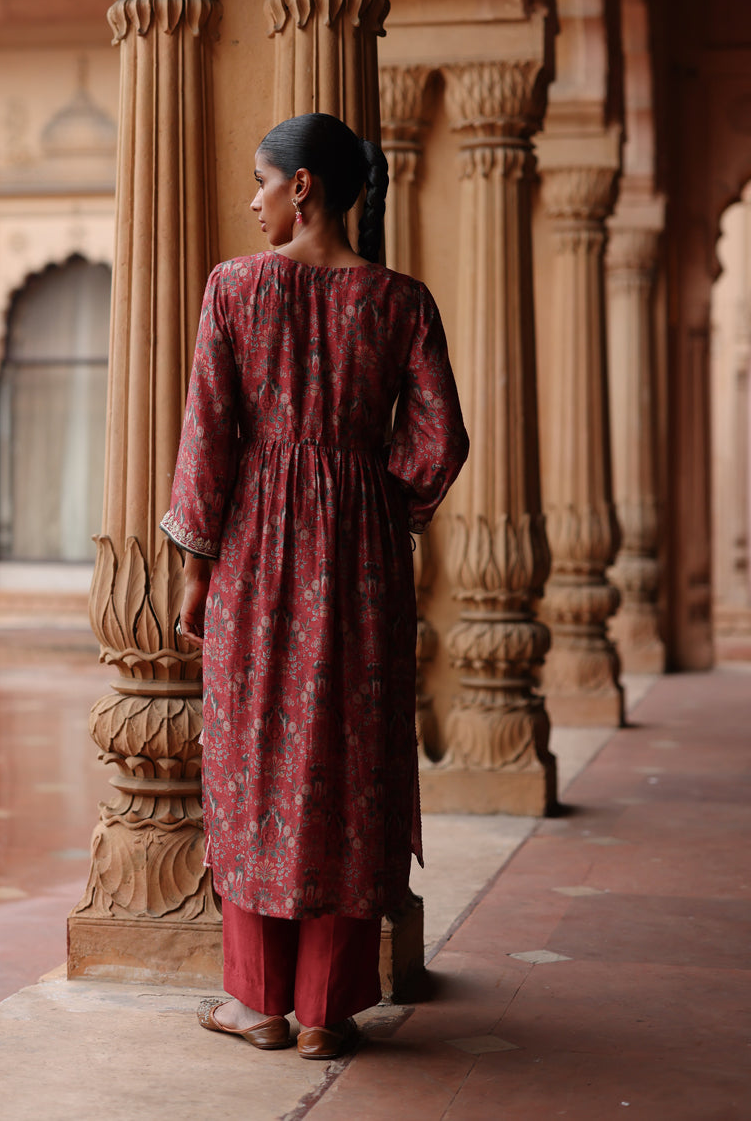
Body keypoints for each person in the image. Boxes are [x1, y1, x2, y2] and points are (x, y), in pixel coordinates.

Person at [160, 112, 469, 1059]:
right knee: (348, 757)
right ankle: (327, 1010)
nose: (251, 199)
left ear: (304, 188)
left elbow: (209, 439)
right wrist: (380, 506)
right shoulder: (401, 302)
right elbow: (441, 441)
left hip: (257, 553)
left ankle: (255, 999)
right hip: (364, 556)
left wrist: (195, 566)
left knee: (253, 755)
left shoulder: (234, 290)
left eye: (262, 180)